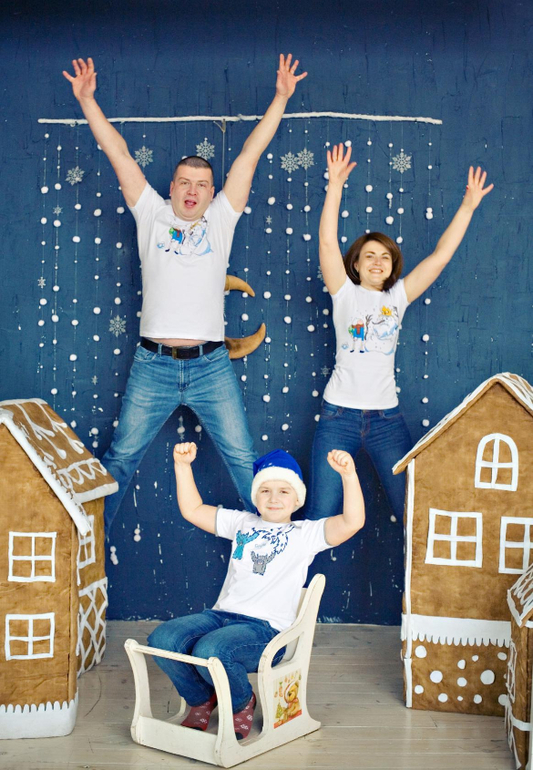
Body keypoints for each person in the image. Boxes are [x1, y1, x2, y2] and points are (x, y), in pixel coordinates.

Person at [62, 55, 307, 533]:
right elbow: (119, 154)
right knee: (120, 459)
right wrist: (88, 101)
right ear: (171, 187)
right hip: (153, 365)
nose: (192, 191)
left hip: (210, 366)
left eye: (202, 185)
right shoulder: (150, 213)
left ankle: (278, 559)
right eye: (185, 183)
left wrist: (281, 98)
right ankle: (82, 557)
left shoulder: (221, 219)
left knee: (245, 463)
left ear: (213, 193)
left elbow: (249, 156)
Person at [305, 143, 493, 524]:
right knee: (319, 514)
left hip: (386, 422)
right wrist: (335, 185)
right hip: (338, 417)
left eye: (385, 257)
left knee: (411, 514)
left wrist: (468, 207)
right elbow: (326, 242)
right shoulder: (343, 292)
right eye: (369, 256)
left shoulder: (398, 297)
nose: (377, 262)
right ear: (356, 265)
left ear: (392, 266)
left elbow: (439, 257)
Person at [147, 442, 364, 739]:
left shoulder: (306, 534)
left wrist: (349, 476)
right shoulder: (242, 522)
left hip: (265, 630)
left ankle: (241, 702)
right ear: (256, 497)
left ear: (297, 499)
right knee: (162, 640)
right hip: (219, 617)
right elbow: (193, 509)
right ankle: (201, 699)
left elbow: (353, 521)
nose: (273, 498)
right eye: (265, 490)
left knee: (211, 650)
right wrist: (182, 466)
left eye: (284, 491)